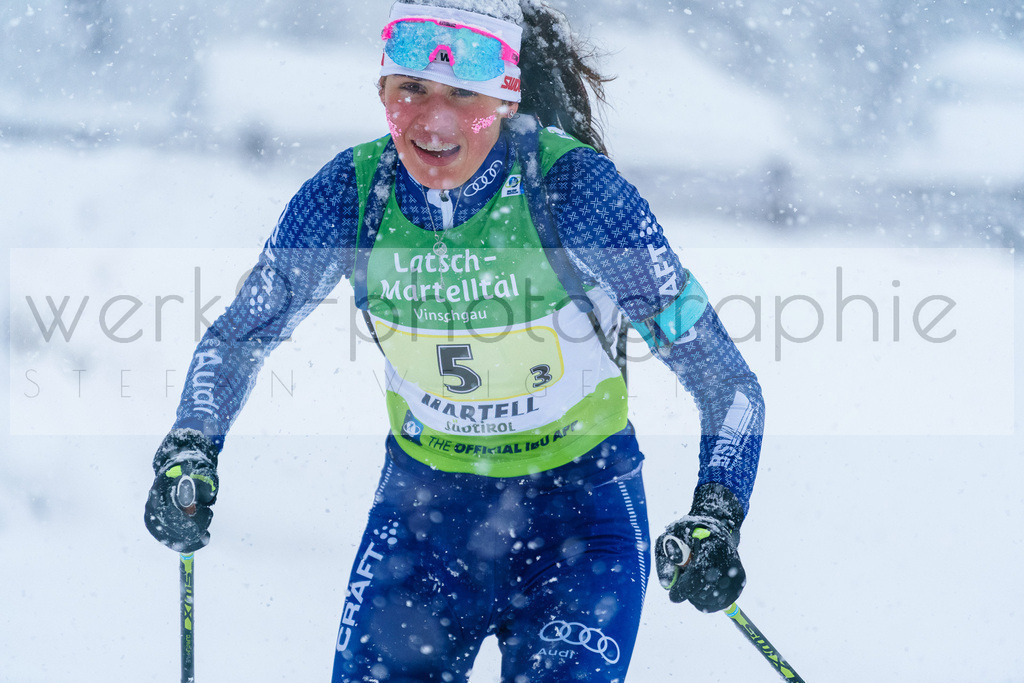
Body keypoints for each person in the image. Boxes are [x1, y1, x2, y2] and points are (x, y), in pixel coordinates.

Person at [144, 1, 765, 681]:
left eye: (463, 93)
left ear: (504, 98)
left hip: (580, 526)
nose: (433, 120)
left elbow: (724, 381)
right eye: (411, 89)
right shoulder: (350, 197)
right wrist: (191, 447)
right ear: (382, 92)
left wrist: (717, 513)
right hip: (425, 525)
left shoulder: (575, 193)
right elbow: (240, 335)